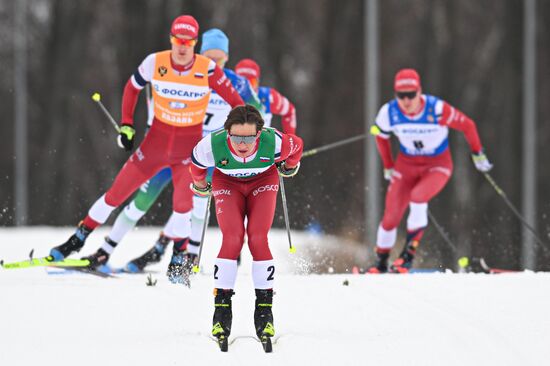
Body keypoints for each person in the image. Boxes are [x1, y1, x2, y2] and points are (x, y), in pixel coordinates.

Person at [48, 16, 245, 269]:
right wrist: (127, 124)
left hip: (189, 152)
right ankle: (77, 240)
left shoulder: (207, 69)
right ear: (171, 40)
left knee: (184, 206)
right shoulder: (155, 62)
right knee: (115, 195)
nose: (182, 47)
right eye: (178, 41)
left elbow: (238, 104)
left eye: (188, 42)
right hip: (155, 147)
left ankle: (178, 259)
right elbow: (132, 88)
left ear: (195, 43)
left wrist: (239, 136)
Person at [93, 28, 264, 281]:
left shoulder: (234, 83)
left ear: (227, 58)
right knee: (141, 202)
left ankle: (186, 259)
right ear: (200, 54)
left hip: (205, 155)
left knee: (197, 207)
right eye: (209, 56)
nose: (214, 62)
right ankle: (106, 252)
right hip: (172, 148)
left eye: (219, 58)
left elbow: (255, 111)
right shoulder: (189, 74)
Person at [190, 105, 303, 347]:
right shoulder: (212, 144)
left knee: (257, 238)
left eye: (249, 138)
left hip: (263, 181)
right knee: (232, 238)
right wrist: (200, 184)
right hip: (226, 183)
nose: (242, 143)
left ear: (259, 134)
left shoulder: (274, 141)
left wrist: (290, 165)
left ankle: (264, 312)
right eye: (236, 137)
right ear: (227, 132)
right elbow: (196, 165)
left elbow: (297, 146)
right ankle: (221, 310)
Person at [367, 68, 493, 273]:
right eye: (401, 95)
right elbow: (380, 136)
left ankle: (406, 258)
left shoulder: (437, 109)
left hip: (437, 165)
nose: (406, 100)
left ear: (420, 91)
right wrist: (388, 166)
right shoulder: (389, 112)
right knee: (391, 216)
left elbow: (468, 125)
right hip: (406, 165)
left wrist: (478, 154)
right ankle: (380, 264)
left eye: (411, 95)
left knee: (418, 197)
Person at [235, 58, 297, 134]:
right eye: (242, 84)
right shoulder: (224, 94)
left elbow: (290, 111)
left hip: (262, 144)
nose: (248, 89)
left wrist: (291, 140)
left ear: (258, 81)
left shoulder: (268, 97)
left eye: (252, 82)